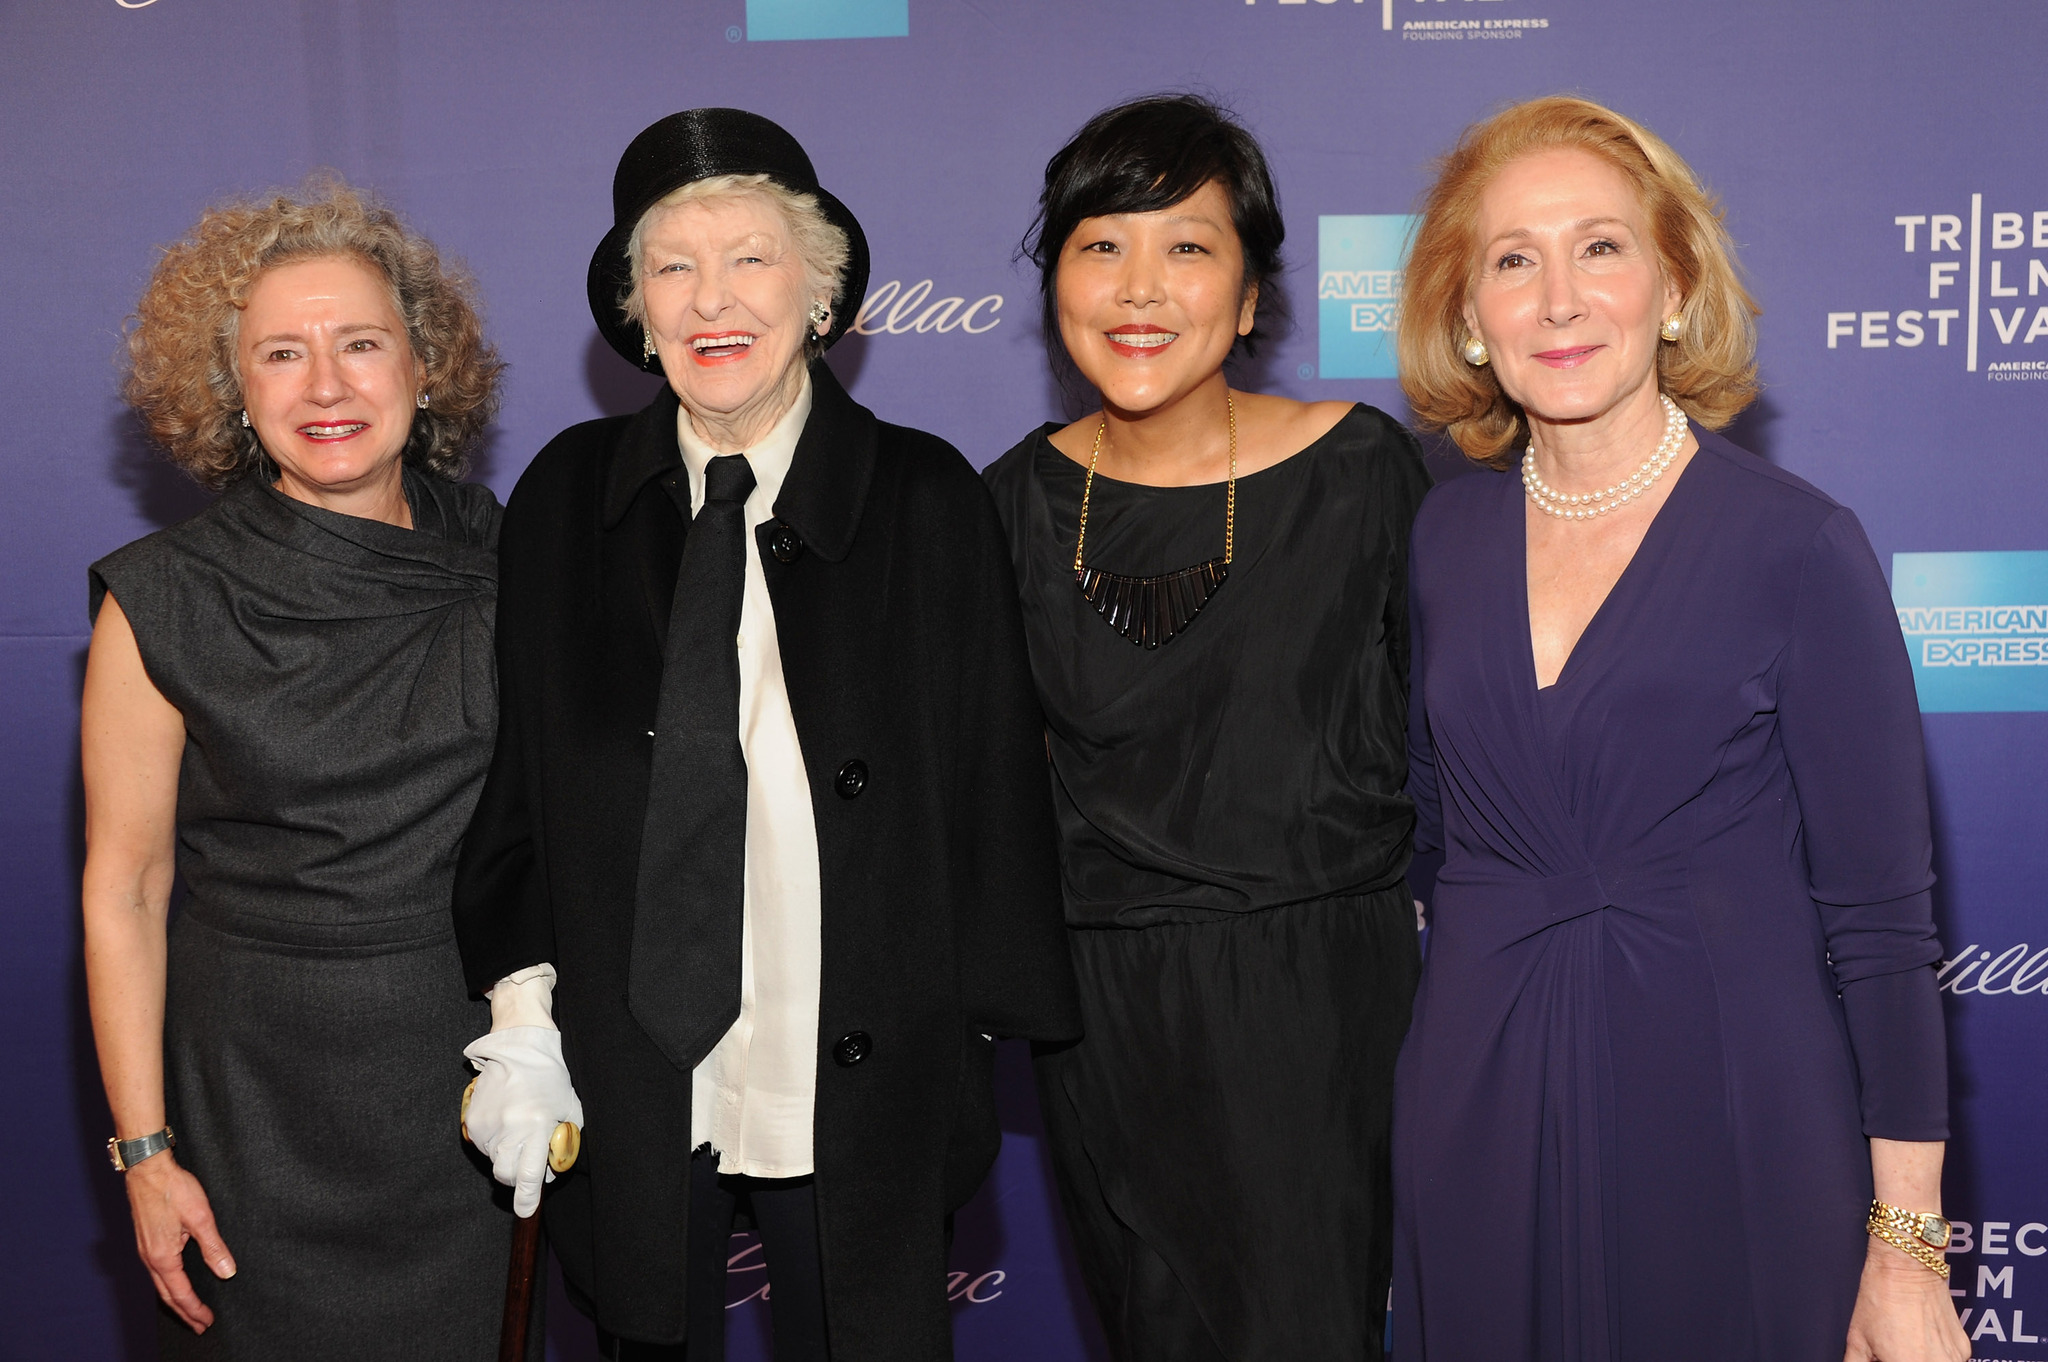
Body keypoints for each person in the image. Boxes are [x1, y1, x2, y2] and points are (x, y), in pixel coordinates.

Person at [450, 108, 1078, 1362]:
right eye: (671, 267)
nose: (709, 299)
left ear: (822, 292)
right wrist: (522, 1021)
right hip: (632, 1068)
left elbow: (994, 781)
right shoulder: (567, 500)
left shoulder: (925, 495)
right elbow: (520, 788)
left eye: (750, 258)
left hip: (856, 1047)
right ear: (636, 309)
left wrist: (981, 1026)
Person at [1392, 95, 1968, 1362]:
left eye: (1599, 246)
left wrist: (1906, 1254)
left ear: (1671, 288)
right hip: (1472, 1115)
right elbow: (1424, 850)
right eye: (1511, 260)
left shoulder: (1793, 544)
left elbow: (1879, 927)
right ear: (1466, 318)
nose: (1556, 299)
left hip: (1728, 1114)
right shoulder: (1435, 543)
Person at [983, 94, 1431, 1362]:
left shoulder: (1356, 473)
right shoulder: (1005, 505)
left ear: (1247, 300)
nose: (1138, 286)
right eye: (1099, 243)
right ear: (1056, 282)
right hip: (1101, 1016)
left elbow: (1452, 744)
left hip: (1313, 1002)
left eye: (1186, 246)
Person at [82, 179, 515, 1358]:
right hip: (255, 1111)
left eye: (361, 343)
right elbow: (125, 891)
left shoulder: (506, 557)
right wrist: (144, 1153)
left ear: (424, 368)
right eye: (281, 353)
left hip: (481, 1098)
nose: (327, 386)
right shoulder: (163, 599)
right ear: (234, 390)